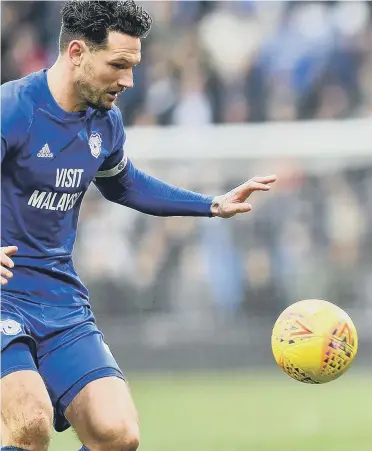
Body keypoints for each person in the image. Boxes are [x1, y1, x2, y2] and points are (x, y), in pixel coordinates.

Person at [0, 1, 276, 450]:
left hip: (59, 297)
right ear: (76, 53)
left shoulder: (104, 122)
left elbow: (124, 184)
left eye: (133, 66)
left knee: (118, 434)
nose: (128, 81)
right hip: (4, 295)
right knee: (29, 424)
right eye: (118, 65)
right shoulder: (13, 109)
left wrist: (209, 205)